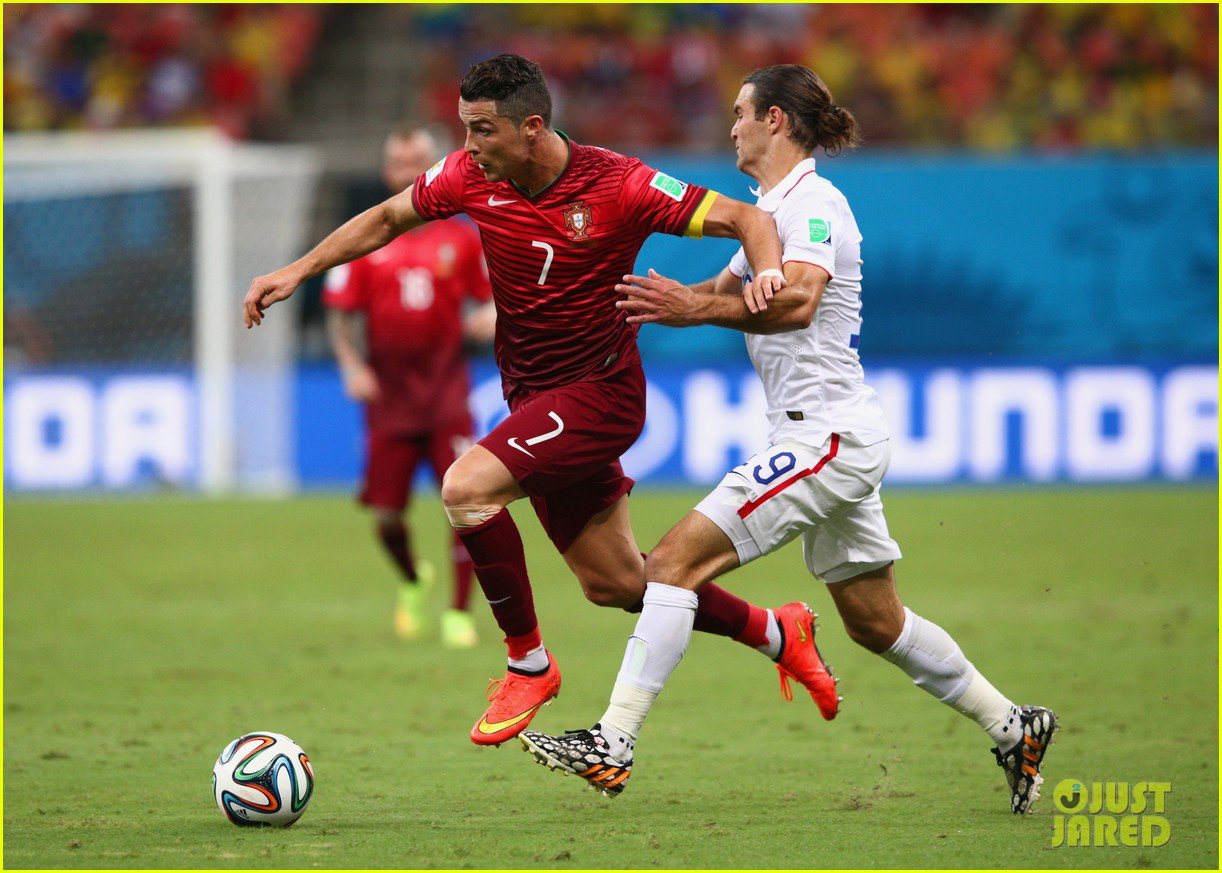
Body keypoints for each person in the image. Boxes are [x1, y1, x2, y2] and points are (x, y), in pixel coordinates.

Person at [243, 54, 840, 750]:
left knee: (466, 489)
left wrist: (767, 273)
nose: (467, 148)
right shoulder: (470, 176)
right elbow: (385, 219)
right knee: (618, 583)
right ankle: (778, 630)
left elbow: (746, 217)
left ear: (531, 128)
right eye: (464, 129)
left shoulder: (620, 184)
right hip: (533, 398)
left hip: (601, 394)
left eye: (482, 131)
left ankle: (528, 661)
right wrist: (294, 271)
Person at [519, 64, 1058, 815]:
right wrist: (635, 304)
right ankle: (1014, 722)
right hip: (824, 435)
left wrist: (697, 310)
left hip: (825, 436)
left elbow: (799, 299)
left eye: (741, 112)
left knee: (671, 562)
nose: (731, 125)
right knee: (875, 622)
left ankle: (613, 740)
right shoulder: (769, 212)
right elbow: (712, 292)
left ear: (774, 119)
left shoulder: (815, 205)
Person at [323, 125, 495, 649]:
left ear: (435, 166)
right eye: (400, 163)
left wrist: (488, 316)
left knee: (468, 503)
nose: (409, 171)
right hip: (389, 402)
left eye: (419, 161)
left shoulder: (461, 237)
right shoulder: (366, 241)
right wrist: (352, 365)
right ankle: (412, 578)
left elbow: (490, 298)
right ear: (387, 172)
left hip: (447, 395)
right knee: (386, 516)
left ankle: (459, 613)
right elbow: (340, 318)